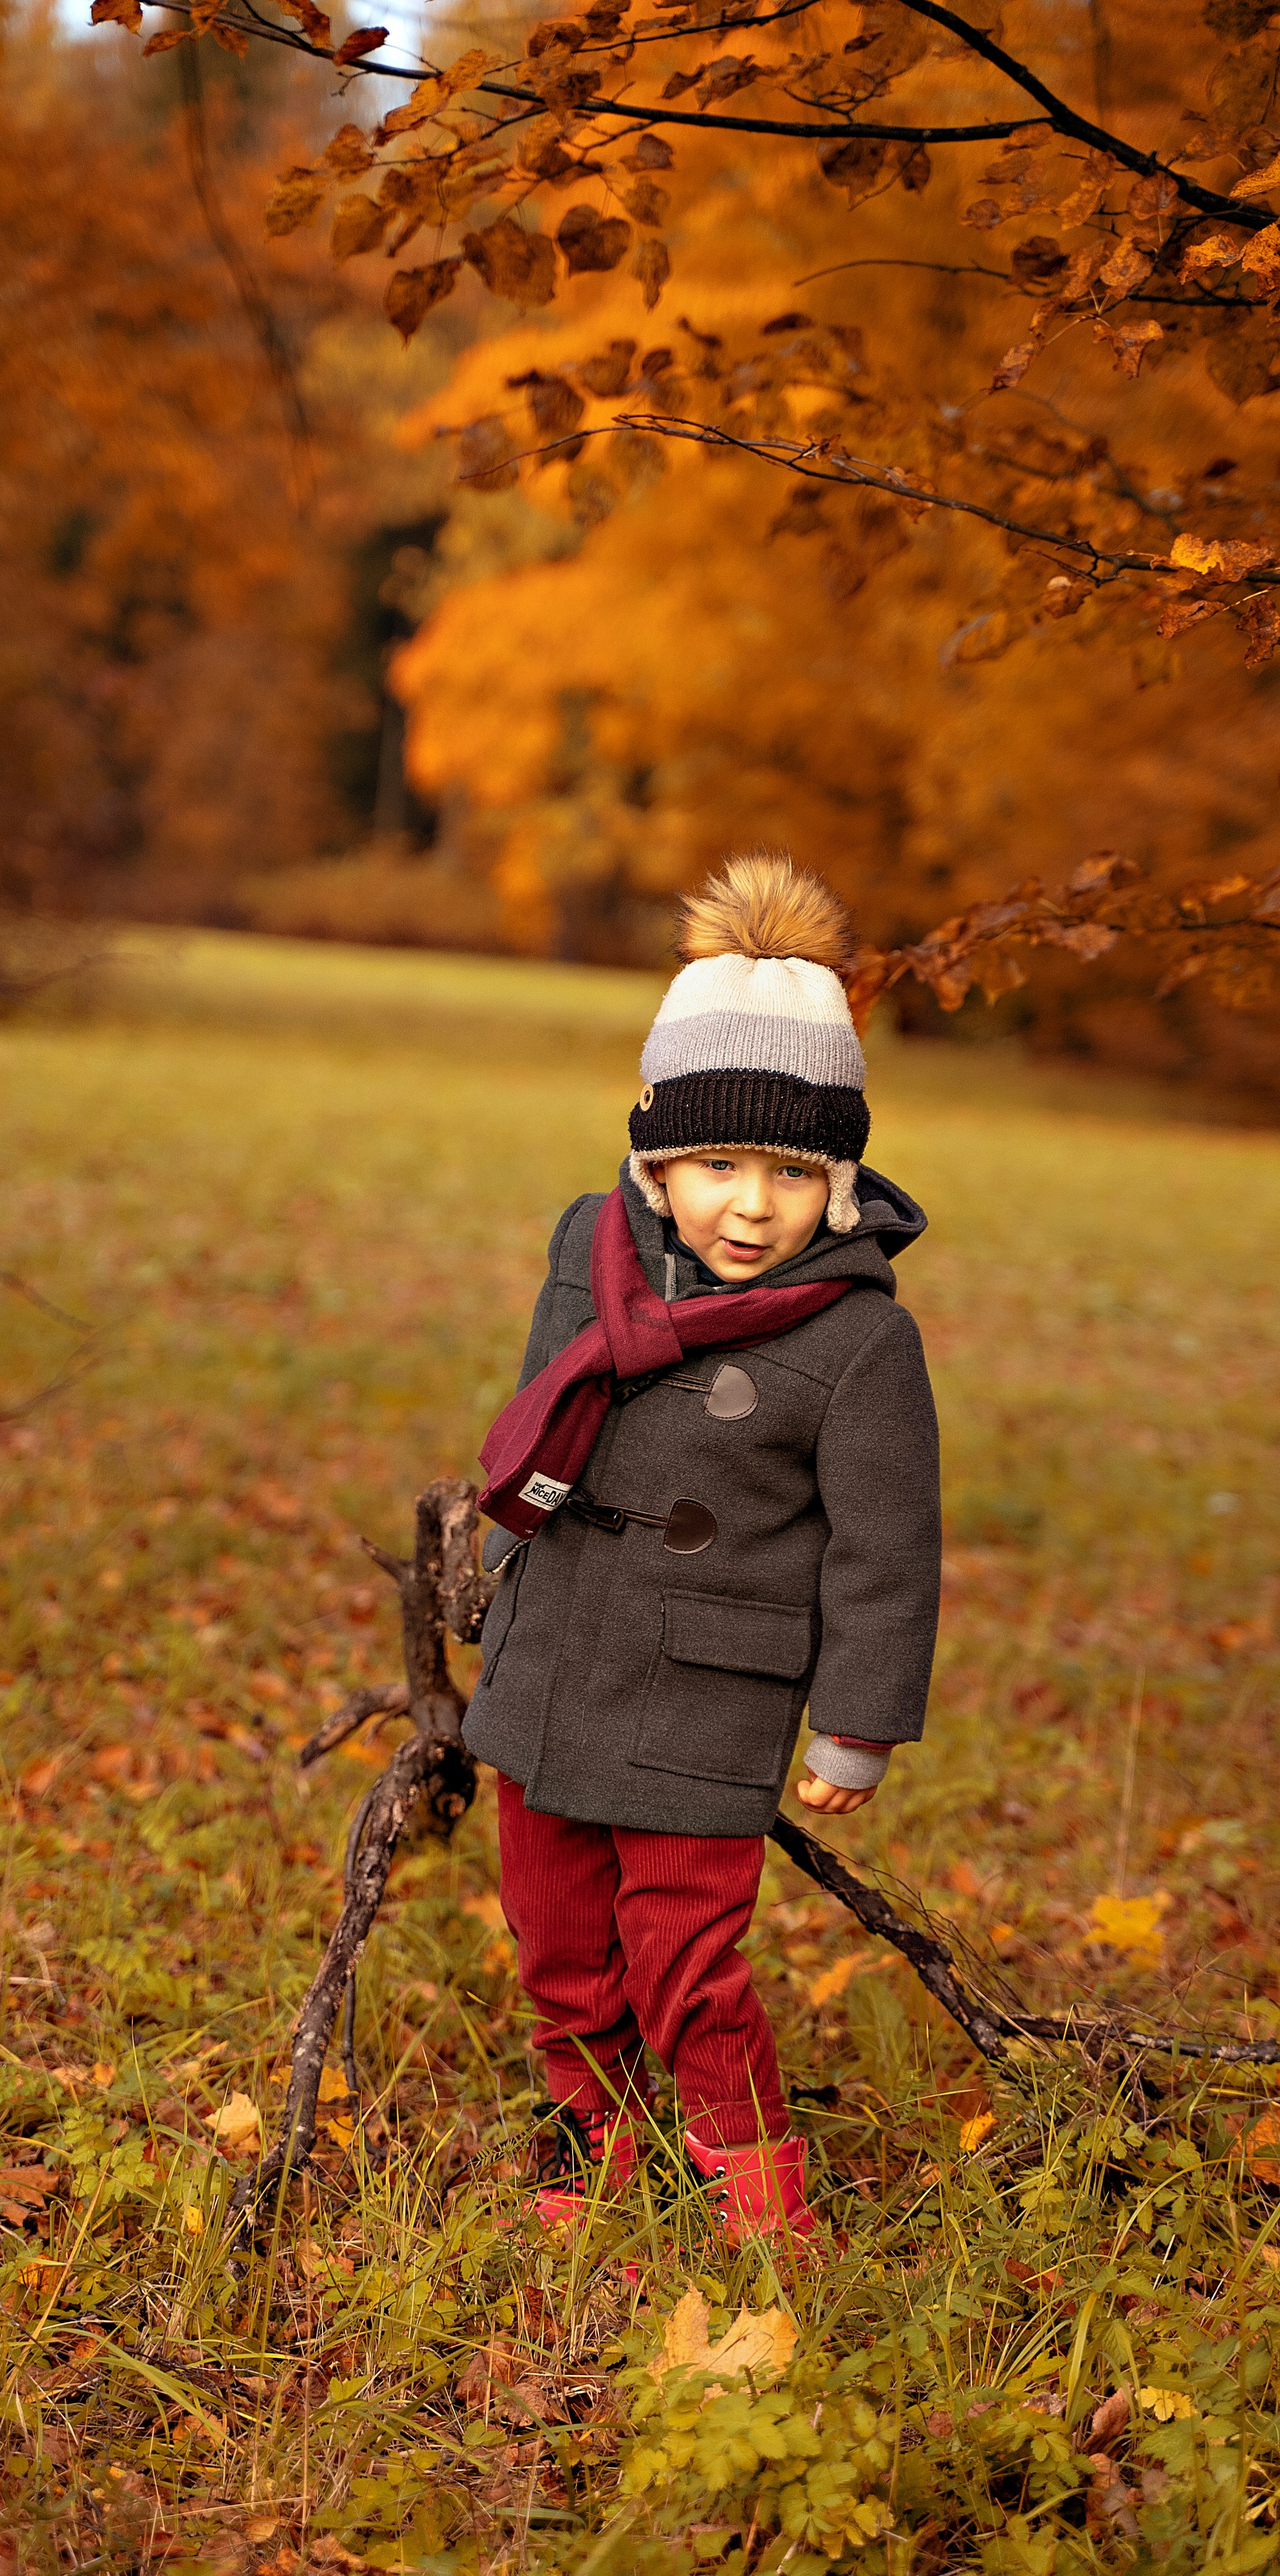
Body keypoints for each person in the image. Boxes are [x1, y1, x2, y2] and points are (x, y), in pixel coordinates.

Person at [464, 852, 942, 2243]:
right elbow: (539, 1407)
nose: (749, 1204)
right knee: (556, 1936)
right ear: (652, 1162)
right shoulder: (588, 1245)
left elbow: (885, 1547)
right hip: (555, 1653)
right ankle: (594, 2135)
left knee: (682, 1953)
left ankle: (752, 2184)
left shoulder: (858, 1336)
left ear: (838, 1180)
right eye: (714, 1164)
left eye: (791, 1171)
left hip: (700, 1685)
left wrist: (856, 1724)